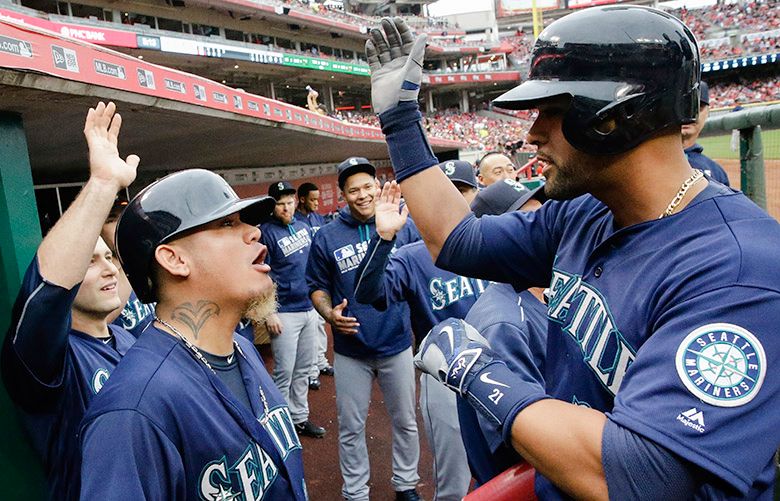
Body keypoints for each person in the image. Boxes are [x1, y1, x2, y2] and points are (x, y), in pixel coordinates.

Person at [367, 10, 780, 499]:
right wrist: (399, 120)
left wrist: (478, 373)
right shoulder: (586, 212)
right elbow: (457, 240)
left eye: (551, 111)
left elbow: (641, 474)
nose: (532, 133)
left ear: (613, 117)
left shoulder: (739, 268)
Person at [79, 165, 307, 499]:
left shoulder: (239, 346)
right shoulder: (132, 411)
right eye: (227, 223)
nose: (254, 232)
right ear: (174, 260)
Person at [0, 102, 137, 500]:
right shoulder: (48, 360)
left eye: (109, 258)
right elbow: (49, 289)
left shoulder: (131, 340)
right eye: (90, 262)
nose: (108, 268)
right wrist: (102, 184)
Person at [352, 161, 490, 501]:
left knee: (508, 466)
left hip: (503, 362)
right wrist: (384, 239)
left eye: (462, 191)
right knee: (454, 483)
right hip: (447, 377)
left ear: (476, 195)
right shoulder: (413, 256)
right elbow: (368, 293)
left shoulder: (493, 239)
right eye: (445, 191)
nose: (452, 199)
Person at [305, 157, 423, 501]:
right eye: (353, 189)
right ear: (343, 194)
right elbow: (317, 286)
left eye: (368, 186)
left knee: (405, 421)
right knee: (351, 428)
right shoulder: (327, 236)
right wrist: (329, 314)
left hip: (396, 343)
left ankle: (406, 485)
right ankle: (355, 493)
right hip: (351, 349)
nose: (362, 195)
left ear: (378, 185)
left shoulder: (405, 225)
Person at [457, 180, 549, 487]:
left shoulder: (539, 291)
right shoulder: (503, 323)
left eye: (544, 215)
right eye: (529, 222)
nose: (546, 228)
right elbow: (530, 447)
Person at [262, 180, 326, 438]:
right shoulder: (265, 232)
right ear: (273, 206)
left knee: (304, 368)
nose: (286, 208)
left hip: (309, 308)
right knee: (284, 371)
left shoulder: (303, 226)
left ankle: (299, 418)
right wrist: (269, 313)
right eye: (280, 204)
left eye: (290, 202)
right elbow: (261, 275)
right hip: (285, 312)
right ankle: (279, 424)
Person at [295, 181, 334, 389]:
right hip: (301, 283)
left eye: (318, 199)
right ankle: (310, 372)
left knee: (320, 326)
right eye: (313, 199)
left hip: (318, 279)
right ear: (301, 199)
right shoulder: (294, 220)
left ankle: (320, 363)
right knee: (308, 335)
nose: (317, 203)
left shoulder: (318, 218)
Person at [101, 198, 155, 337]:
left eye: (125, 216)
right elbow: (103, 320)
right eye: (112, 220)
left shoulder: (148, 261)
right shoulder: (97, 275)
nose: (122, 224)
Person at [683, 81, 731, 186]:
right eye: (682, 107)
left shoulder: (716, 172)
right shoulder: (645, 164)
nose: (689, 115)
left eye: (698, 109)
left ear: (707, 113)